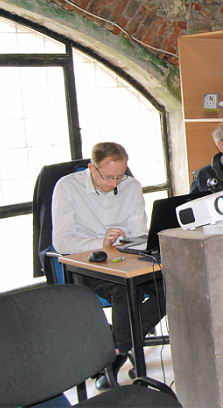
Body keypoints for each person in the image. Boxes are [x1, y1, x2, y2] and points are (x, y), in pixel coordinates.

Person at [52, 142, 166, 389]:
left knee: (171, 287)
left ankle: (115, 348)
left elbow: (138, 231)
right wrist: (100, 243)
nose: (115, 183)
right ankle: (116, 354)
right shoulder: (67, 187)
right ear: (92, 168)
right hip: (87, 262)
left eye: (120, 176)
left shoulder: (131, 186)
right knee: (124, 291)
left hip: (126, 258)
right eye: (109, 177)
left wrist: (127, 241)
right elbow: (62, 241)